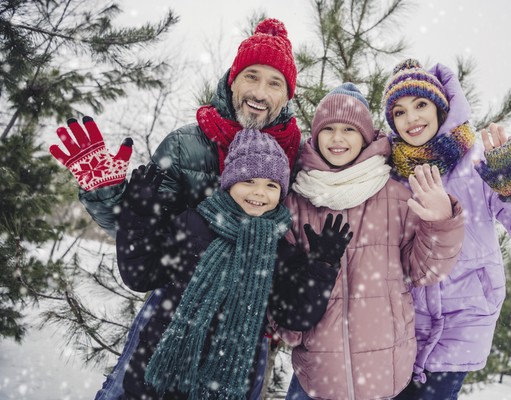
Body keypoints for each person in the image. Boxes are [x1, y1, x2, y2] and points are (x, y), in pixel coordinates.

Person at [48, 18, 301, 400]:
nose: (260, 92)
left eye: (274, 82)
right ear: (232, 79)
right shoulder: (187, 144)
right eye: (252, 76)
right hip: (173, 313)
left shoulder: (295, 155)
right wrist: (109, 194)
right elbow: (138, 232)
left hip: (246, 327)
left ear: (286, 96)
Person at [115, 129, 348, 399]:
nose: (259, 192)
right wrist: (139, 214)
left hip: (229, 381)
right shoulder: (193, 225)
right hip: (157, 373)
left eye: (271, 185)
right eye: (248, 180)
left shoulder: (280, 250)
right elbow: (140, 274)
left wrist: (322, 265)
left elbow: (295, 316)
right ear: (230, 182)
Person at [382, 59, 511, 400]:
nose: (412, 119)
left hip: (462, 323)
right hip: (403, 328)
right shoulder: (392, 171)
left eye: (420, 104)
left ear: (440, 106)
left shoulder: (477, 162)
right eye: (400, 111)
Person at [272, 83, 465, 400]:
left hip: (384, 376)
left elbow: (425, 271)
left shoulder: (396, 197)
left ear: (364, 136)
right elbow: (284, 309)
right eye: (329, 129)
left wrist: (441, 222)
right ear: (316, 135)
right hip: (316, 378)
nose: (337, 138)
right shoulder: (297, 201)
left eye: (349, 129)